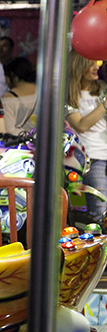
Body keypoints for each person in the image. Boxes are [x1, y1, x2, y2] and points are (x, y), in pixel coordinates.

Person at [65, 50, 107, 217]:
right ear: (78, 66)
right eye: (91, 64)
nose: (96, 67)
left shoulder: (102, 88)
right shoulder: (70, 95)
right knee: (99, 211)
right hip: (91, 158)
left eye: (97, 63)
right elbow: (81, 125)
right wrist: (104, 105)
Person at [1, 57, 37, 135]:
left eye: (6, 76)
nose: (6, 81)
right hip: (42, 141)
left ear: (12, 75)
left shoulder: (8, 99)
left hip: (20, 144)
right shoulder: (43, 92)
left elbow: (8, 130)